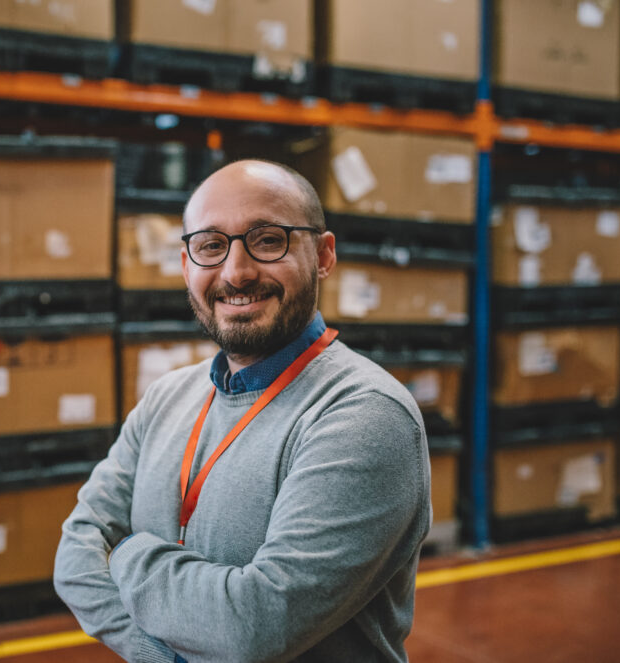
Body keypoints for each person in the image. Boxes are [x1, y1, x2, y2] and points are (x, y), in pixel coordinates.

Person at [54, 159, 431, 663]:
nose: (236, 272)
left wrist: (124, 552)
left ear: (322, 255)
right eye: (210, 245)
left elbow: (255, 626)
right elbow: (75, 558)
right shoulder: (167, 398)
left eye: (267, 239)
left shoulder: (364, 416)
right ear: (187, 266)